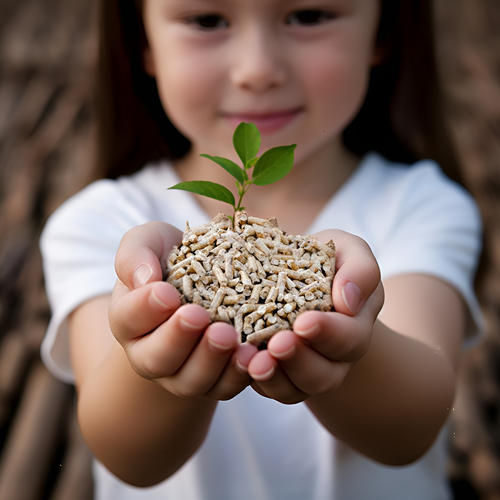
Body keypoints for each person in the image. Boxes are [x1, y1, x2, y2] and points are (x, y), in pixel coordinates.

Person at [40, 1, 483, 499]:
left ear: (384, 30)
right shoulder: (100, 223)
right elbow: (128, 457)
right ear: (142, 42)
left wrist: (350, 335)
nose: (258, 70)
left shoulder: (421, 206)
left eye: (309, 15)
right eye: (207, 21)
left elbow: (412, 428)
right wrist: (152, 352)